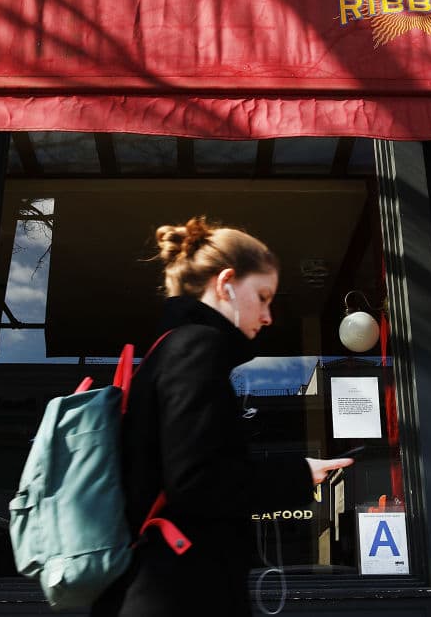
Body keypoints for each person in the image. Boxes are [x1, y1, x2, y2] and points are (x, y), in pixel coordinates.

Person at [91, 217, 353, 617]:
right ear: (226, 282)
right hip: (179, 593)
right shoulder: (198, 348)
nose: (268, 316)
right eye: (263, 296)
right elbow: (197, 482)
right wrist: (297, 474)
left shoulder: (169, 348)